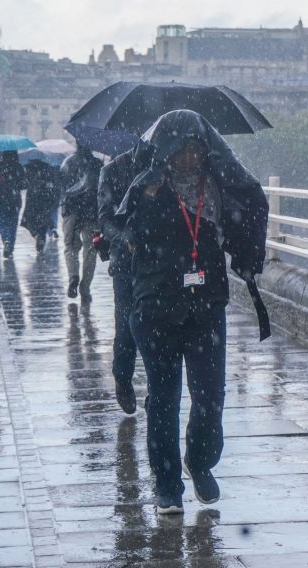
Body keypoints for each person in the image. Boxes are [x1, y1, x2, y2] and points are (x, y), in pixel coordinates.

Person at [113, 110, 269, 514]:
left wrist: (249, 257)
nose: (187, 158)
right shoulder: (145, 187)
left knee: (210, 397)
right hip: (156, 307)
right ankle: (167, 484)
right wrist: (145, 207)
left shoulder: (220, 186)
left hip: (206, 305)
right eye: (179, 150)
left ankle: (199, 462)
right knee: (164, 399)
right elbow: (127, 240)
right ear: (165, 152)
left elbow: (248, 214)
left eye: (195, 149)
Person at [96, 141, 149, 415]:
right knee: (127, 325)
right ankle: (123, 377)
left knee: (160, 328)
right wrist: (124, 238)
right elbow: (104, 220)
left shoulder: (168, 165)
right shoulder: (113, 170)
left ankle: (157, 387)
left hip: (162, 263)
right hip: (126, 263)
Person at [60, 145, 103, 301]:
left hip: (71, 210)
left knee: (70, 246)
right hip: (91, 211)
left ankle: (73, 276)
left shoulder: (67, 163)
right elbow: (102, 189)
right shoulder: (98, 164)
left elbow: (62, 188)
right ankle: (85, 288)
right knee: (90, 250)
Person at [0, 150, 27, 258]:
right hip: (15, 199)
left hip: (1, 198)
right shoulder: (19, 167)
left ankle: (5, 240)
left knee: (2, 221)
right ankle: (10, 245)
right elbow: (24, 184)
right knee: (13, 223)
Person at [20, 158, 61, 253]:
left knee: (30, 221)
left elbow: (24, 184)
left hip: (32, 199)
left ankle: (36, 235)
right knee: (43, 221)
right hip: (45, 199)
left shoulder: (29, 167)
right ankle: (42, 238)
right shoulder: (48, 168)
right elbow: (54, 184)